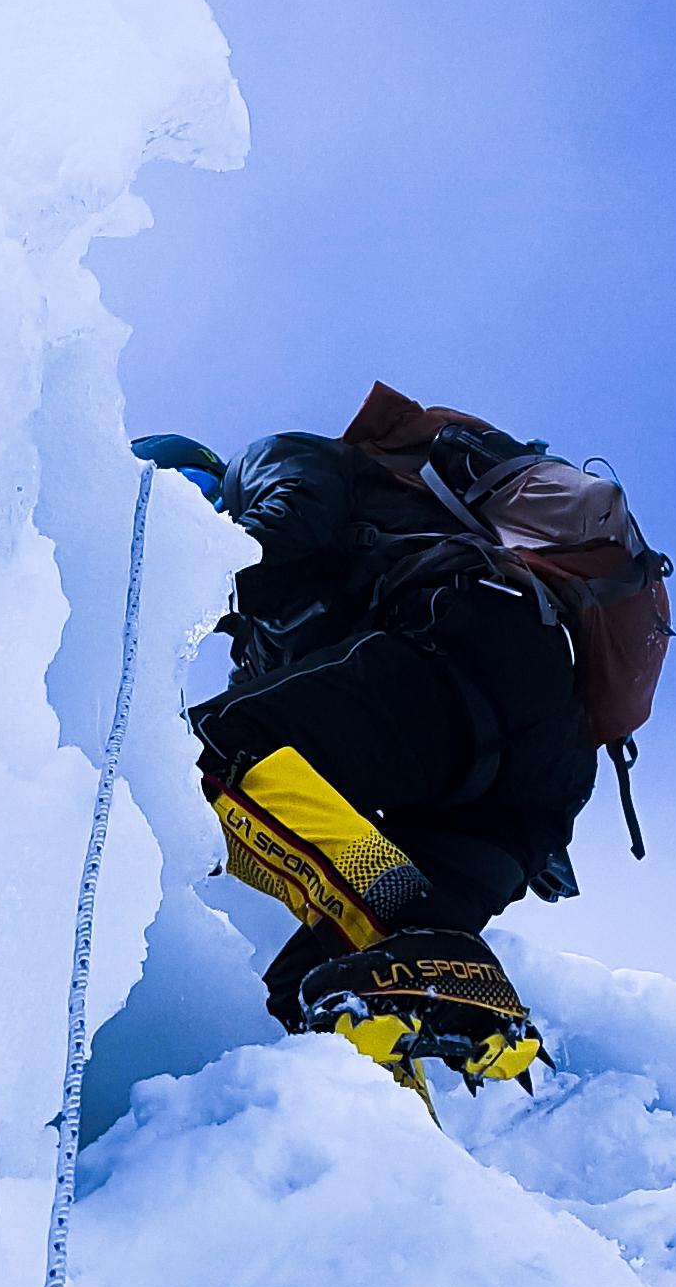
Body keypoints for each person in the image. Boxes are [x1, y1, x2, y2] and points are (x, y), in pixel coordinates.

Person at [133, 383, 613, 1097]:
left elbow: (295, 518)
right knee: (311, 997)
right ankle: (393, 1163)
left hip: (472, 647)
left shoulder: (272, 460)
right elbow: (277, 773)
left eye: (174, 499)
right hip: (518, 797)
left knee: (193, 754)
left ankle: (424, 942)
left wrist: (174, 567)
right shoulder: (264, 649)